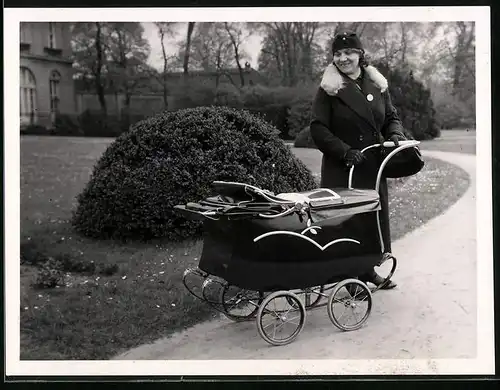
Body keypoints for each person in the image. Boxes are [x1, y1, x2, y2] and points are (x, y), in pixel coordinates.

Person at [309, 31, 407, 290]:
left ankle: (368, 270)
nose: (343, 58)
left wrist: (395, 132)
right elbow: (318, 128)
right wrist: (344, 151)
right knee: (348, 222)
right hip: (345, 167)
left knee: (371, 219)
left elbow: (391, 117)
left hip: (372, 167)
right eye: (338, 54)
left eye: (349, 53)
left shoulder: (376, 83)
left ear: (360, 55)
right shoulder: (329, 88)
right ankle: (349, 278)